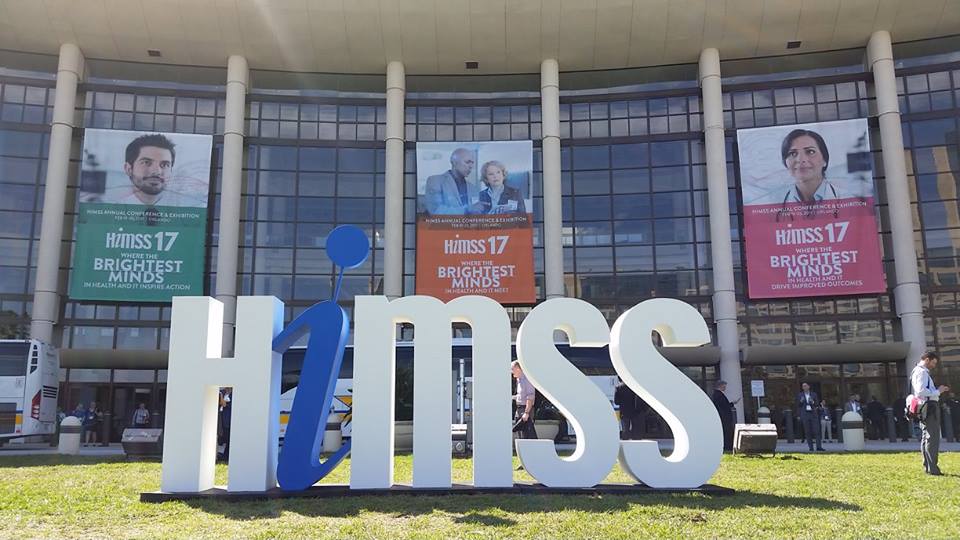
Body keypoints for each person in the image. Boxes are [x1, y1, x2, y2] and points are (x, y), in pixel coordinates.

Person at [101, 133, 201, 207]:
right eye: (146, 162)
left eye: (165, 164)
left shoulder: (186, 212)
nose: (157, 171)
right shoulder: (110, 210)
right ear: (128, 169)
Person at [776, 129, 840, 221]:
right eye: (793, 153)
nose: (801, 159)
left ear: (824, 160)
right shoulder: (771, 206)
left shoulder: (850, 199)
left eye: (810, 152)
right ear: (785, 162)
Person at [910, 351, 951, 475]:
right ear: (927, 360)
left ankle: (928, 467)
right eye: (933, 363)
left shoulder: (917, 371)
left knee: (926, 437)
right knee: (932, 437)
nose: (934, 366)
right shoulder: (921, 372)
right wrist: (937, 391)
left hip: (925, 407)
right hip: (929, 407)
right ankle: (933, 468)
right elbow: (921, 391)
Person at [424, 148, 483, 215]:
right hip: (444, 225)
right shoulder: (435, 181)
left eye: (472, 163)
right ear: (454, 162)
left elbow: (475, 211)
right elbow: (436, 210)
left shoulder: (473, 188)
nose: (471, 166)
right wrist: (467, 210)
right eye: (467, 162)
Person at [511, 361, 538, 442]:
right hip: (519, 409)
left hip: (525, 409)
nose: (511, 372)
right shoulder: (519, 380)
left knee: (528, 435)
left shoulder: (527, 379)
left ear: (518, 369)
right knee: (521, 434)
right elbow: (521, 395)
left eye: (512, 369)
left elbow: (530, 396)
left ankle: (534, 451)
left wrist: (526, 412)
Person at [710, 380, 739, 452]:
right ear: (721, 386)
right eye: (724, 386)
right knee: (726, 431)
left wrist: (731, 404)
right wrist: (731, 404)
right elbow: (723, 406)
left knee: (727, 430)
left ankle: (728, 445)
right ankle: (727, 446)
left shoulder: (717, 394)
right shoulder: (718, 394)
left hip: (723, 416)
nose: (725, 388)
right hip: (724, 416)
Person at [796, 382, 824, 451]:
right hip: (805, 415)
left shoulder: (814, 394)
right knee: (807, 432)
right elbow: (798, 405)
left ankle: (819, 447)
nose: (804, 387)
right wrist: (801, 401)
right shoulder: (800, 395)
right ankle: (811, 447)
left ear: (809, 387)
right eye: (803, 386)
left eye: (805, 386)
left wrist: (813, 402)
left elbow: (817, 404)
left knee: (817, 431)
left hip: (813, 414)